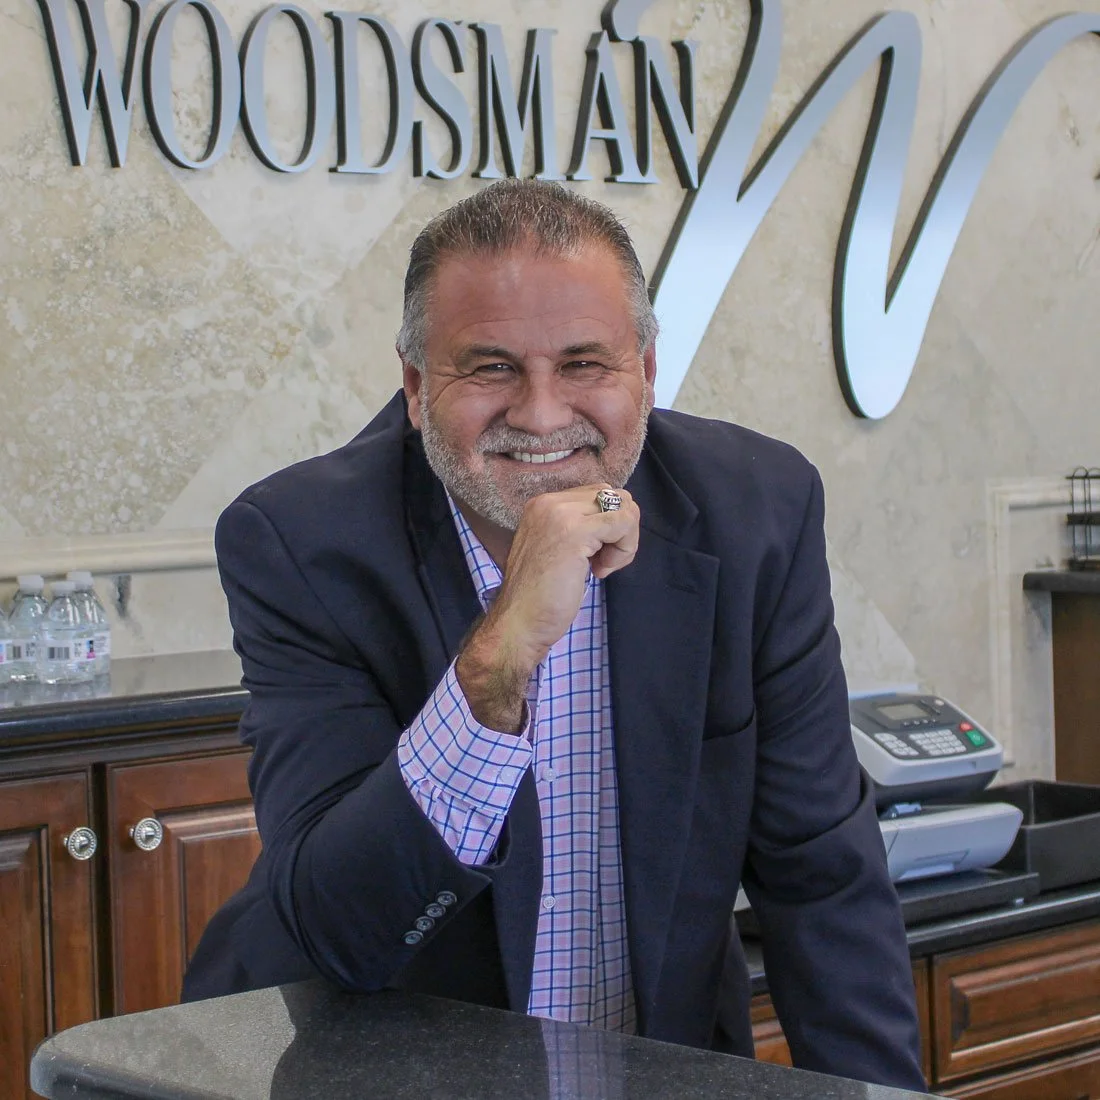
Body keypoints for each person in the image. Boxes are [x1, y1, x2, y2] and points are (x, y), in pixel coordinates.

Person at [183, 179, 925, 1091]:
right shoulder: (299, 542)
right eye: (490, 367)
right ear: (417, 385)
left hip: (659, 1068)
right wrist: (497, 658)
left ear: (646, 369)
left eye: (584, 364)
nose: (540, 415)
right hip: (376, 1073)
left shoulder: (756, 512)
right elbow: (341, 929)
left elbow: (821, 879)